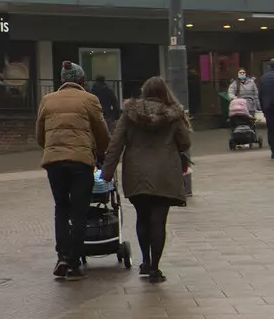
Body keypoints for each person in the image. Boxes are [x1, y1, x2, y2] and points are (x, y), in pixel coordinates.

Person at [101, 76, 191, 284]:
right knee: (159, 221)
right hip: (165, 173)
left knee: (143, 217)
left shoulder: (129, 114)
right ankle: (155, 269)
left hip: (136, 173)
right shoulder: (173, 114)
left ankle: (145, 261)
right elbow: (185, 141)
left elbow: (116, 144)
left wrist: (107, 172)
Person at [35, 61, 111, 281]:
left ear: (62, 80)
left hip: (53, 162)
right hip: (80, 162)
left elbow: (40, 135)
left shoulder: (47, 100)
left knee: (61, 208)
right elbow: (102, 133)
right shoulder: (90, 100)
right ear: (81, 81)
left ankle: (61, 257)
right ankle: (74, 263)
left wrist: (52, 149)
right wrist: (102, 154)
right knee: (79, 211)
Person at [260, 63, 274, 160]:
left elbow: (260, 95)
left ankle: (273, 151)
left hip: (268, 107)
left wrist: (262, 109)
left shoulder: (263, 78)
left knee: (271, 129)